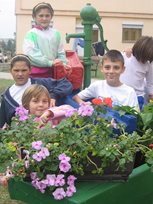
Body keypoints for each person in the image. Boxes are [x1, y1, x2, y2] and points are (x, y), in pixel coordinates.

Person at [0, 54, 73, 128]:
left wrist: (53, 95)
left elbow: (65, 83)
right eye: (16, 70)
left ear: (30, 70)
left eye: (24, 70)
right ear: (11, 71)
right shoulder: (6, 96)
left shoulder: (40, 84)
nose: (20, 74)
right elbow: (2, 122)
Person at [73, 49, 139, 110]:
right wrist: (84, 105)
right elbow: (76, 97)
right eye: (107, 67)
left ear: (123, 69)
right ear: (102, 68)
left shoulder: (130, 92)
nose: (111, 71)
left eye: (116, 68)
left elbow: (134, 117)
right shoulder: (97, 85)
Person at [23, 2, 71, 78]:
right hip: (37, 74)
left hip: (54, 72)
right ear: (34, 17)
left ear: (51, 16)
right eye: (41, 16)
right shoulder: (31, 34)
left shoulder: (56, 33)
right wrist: (50, 63)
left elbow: (61, 52)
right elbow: (32, 54)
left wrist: (64, 64)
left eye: (47, 15)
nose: (44, 18)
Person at [120, 36, 153, 110]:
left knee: (134, 118)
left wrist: (151, 94)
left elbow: (150, 82)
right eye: (144, 56)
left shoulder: (148, 64)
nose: (144, 60)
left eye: (148, 58)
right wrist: (125, 50)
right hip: (122, 94)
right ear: (138, 50)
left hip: (137, 97)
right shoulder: (126, 56)